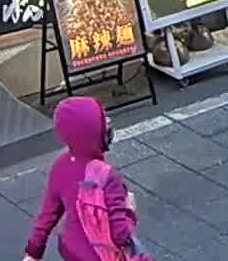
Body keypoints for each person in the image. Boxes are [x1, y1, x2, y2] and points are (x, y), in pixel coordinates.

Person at [23, 96, 140, 261]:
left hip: (70, 249)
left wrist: (33, 252)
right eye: (103, 121)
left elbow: (46, 217)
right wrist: (130, 210)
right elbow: (120, 236)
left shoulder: (60, 166)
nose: (108, 122)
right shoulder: (108, 177)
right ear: (93, 134)